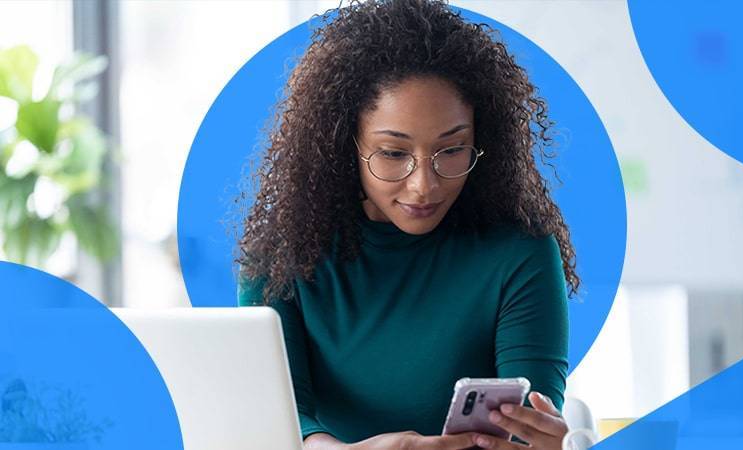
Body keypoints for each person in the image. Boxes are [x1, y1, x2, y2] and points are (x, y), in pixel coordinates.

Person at [237, 0, 580, 448]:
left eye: (452, 150)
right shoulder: (282, 252)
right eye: (394, 154)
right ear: (346, 145)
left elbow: (530, 424)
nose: (424, 185)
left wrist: (541, 442)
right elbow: (278, 420)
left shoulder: (520, 252)